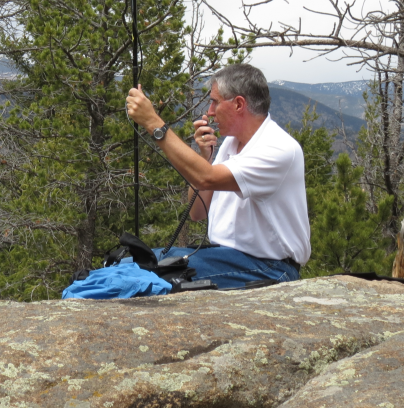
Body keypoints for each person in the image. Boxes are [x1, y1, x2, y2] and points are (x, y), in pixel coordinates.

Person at [126, 63, 311, 288]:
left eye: (214, 101)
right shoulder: (231, 145)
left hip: (271, 268)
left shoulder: (278, 149)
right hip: (229, 259)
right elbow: (197, 212)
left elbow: (207, 178)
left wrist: (153, 123)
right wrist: (205, 158)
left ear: (239, 104)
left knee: (154, 277)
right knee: (131, 262)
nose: (209, 111)